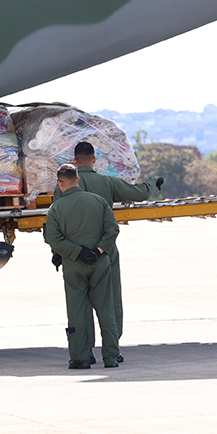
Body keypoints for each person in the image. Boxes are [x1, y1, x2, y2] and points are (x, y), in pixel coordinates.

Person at [52, 141, 164, 355]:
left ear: (74, 161)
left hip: (74, 254)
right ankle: (112, 350)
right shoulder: (108, 183)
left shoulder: (64, 186)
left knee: (78, 305)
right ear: (95, 160)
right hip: (104, 252)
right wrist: (152, 182)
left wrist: (58, 252)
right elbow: (139, 193)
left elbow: (54, 222)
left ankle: (83, 352)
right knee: (110, 302)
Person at [45, 164, 120, 369]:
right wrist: (98, 251)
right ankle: (111, 357)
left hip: (74, 265)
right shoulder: (99, 201)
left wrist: (77, 252)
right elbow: (112, 230)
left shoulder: (56, 208)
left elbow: (52, 237)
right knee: (106, 310)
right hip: (100, 263)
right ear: (77, 178)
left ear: (60, 183)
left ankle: (80, 358)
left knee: (78, 311)